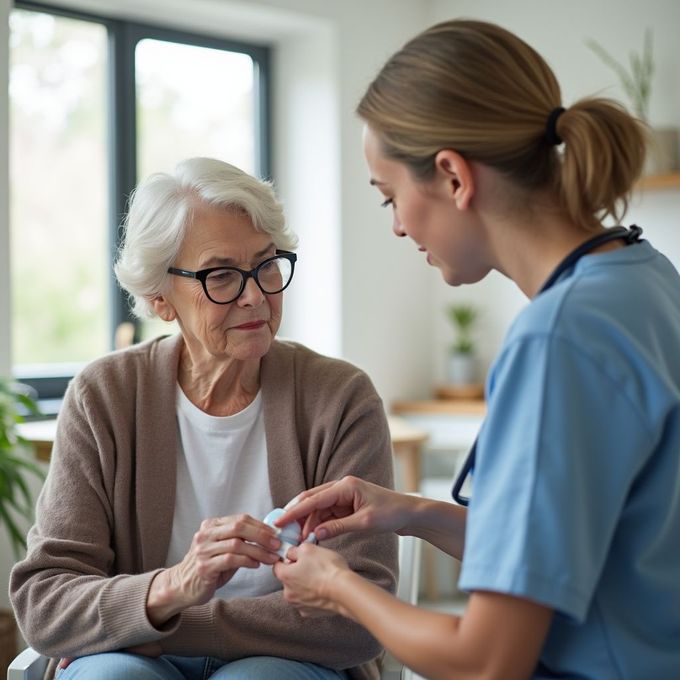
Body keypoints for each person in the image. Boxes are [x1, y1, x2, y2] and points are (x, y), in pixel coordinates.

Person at [272, 19, 680, 680]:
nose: (400, 226)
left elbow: (488, 660)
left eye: (390, 198)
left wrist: (338, 588)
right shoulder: (646, 277)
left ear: (454, 177)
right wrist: (407, 512)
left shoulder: (558, 339)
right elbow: (578, 553)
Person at [10, 157, 397, 680]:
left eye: (266, 264)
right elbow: (44, 601)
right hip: (131, 658)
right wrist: (172, 587)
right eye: (221, 276)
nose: (256, 294)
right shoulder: (103, 396)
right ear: (158, 297)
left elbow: (360, 617)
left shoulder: (341, 398)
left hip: (284, 657)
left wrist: (167, 622)